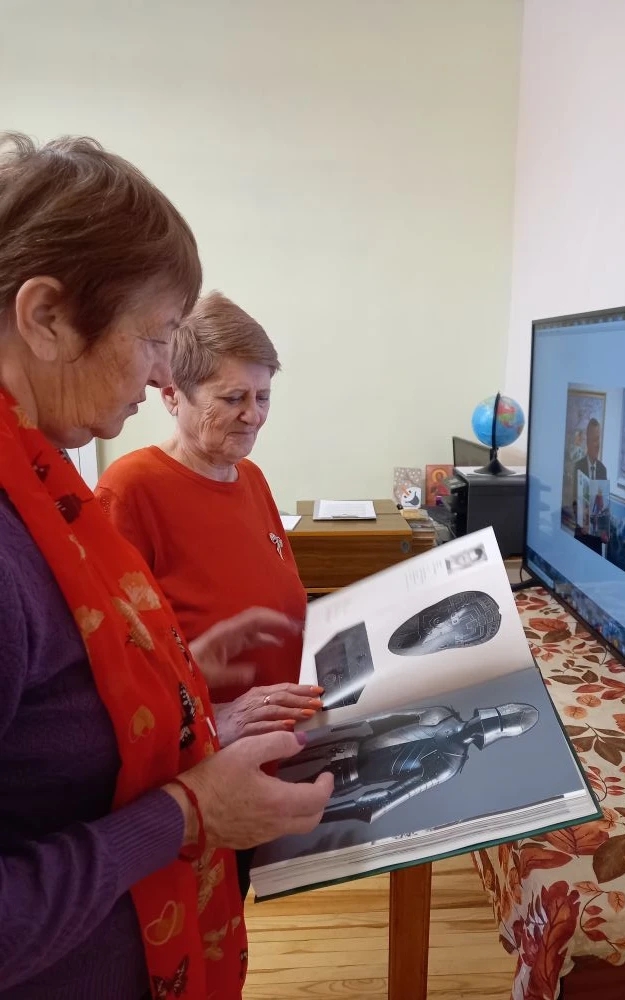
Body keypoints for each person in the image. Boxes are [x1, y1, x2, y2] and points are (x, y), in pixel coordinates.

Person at [0, 132, 333, 1000]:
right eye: (154, 339)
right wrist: (185, 814)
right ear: (46, 317)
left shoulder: (41, 483)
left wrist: (179, 675)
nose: (158, 377)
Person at [95, 291, 320, 898]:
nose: (254, 416)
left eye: (263, 396)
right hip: (193, 776)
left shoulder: (251, 478)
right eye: (232, 398)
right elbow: (112, 664)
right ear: (172, 394)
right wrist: (212, 720)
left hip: (268, 758)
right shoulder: (131, 489)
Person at [279, 702, 540, 823]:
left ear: (488, 738)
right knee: (278, 756)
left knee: (281, 799)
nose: (479, 724)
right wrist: (325, 728)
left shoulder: (449, 764)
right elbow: (378, 720)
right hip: (343, 745)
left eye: (486, 726)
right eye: (485, 719)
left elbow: (387, 799)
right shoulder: (439, 714)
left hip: (348, 776)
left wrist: (322, 816)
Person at [573, 418, 607, 554]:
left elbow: (603, 505)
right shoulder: (578, 467)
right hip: (581, 536)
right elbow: (572, 502)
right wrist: (581, 520)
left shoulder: (603, 470)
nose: (597, 444)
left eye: (599, 439)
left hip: (596, 539)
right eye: (594, 440)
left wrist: (604, 530)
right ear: (587, 441)